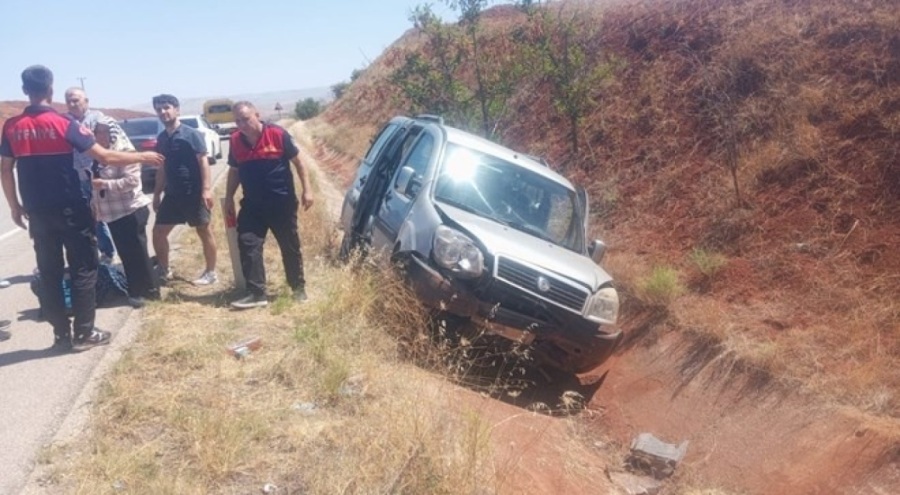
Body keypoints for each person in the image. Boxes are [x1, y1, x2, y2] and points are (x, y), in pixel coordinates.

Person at [0, 65, 163, 351]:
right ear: (51, 90)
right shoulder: (65, 124)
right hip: (72, 209)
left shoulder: (12, 127)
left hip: (37, 212)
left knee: (49, 272)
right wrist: (143, 156)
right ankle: (84, 333)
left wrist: (15, 206)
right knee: (84, 269)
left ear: (25, 90)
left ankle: (60, 333)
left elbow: (5, 169)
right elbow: (105, 156)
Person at [224, 101, 313, 309]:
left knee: (289, 246)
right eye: (237, 121)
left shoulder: (277, 134)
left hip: (281, 202)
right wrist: (229, 197)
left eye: (246, 119)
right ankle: (257, 293)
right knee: (248, 243)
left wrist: (307, 190)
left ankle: (298, 287)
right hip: (252, 205)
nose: (242, 125)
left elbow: (299, 162)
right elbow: (234, 171)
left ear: (257, 114)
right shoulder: (235, 140)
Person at [89, 113, 160, 308]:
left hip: (131, 210)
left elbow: (132, 182)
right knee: (127, 254)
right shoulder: (98, 156)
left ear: (112, 133)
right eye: (97, 131)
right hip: (112, 214)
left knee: (137, 254)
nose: (99, 135)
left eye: (103, 131)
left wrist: (104, 184)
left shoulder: (125, 152)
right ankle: (136, 290)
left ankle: (149, 292)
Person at [149, 94, 218, 286]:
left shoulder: (191, 134)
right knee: (158, 231)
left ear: (177, 109)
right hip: (172, 195)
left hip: (194, 193)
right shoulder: (162, 138)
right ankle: (164, 269)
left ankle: (211, 272)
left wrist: (206, 190)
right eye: (159, 109)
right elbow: (162, 168)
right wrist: (156, 194)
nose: (163, 112)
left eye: (166, 107)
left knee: (204, 230)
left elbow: (203, 161)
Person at [64, 87, 117, 264]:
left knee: (110, 214)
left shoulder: (98, 119)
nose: (72, 104)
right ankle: (106, 252)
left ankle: (121, 250)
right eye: (69, 100)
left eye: (76, 100)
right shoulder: (65, 122)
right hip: (78, 177)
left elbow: (110, 143)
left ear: (86, 101)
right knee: (92, 216)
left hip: (100, 175)